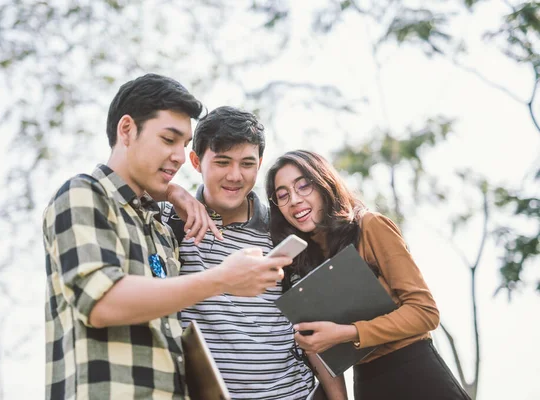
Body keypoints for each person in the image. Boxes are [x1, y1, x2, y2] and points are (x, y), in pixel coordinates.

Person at [42, 74, 291, 400]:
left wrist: (170, 193)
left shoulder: (159, 226)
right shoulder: (83, 194)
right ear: (127, 130)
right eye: (168, 139)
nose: (177, 155)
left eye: (183, 144)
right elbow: (102, 302)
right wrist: (222, 279)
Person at [265, 150, 472, 400]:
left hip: (418, 374)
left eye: (303, 186)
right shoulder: (299, 263)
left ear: (323, 184)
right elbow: (317, 347)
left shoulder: (370, 226)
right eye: (283, 195)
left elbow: (426, 312)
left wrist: (348, 332)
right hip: (366, 383)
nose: (295, 200)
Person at [161, 107, 314, 399]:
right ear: (196, 161)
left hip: (292, 393)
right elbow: (124, 181)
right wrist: (173, 192)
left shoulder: (282, 227)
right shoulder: (170, 221)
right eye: (222, 162)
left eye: (247, 163)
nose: (235, 175)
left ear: (259, 164)